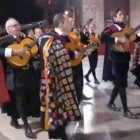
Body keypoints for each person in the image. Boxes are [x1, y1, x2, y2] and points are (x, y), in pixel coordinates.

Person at [39, 12, 81, 140]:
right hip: (53, 82)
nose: (71, 23)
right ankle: (54, 136)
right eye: (69, 21)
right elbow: (54, 55)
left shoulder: (67, 37)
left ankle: (63, 134)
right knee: (54, 110)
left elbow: (72, 52)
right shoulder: (48, 38)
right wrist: (73, 55)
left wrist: (81, 52)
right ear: (62, 24)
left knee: (64, 109)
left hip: (66, 79)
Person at [0, 17, 40, 138]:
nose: (17, 27)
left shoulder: (26, 39)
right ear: (8, 29)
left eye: (18, 24)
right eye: (14, 25)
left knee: (31, 96)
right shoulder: (4, 40)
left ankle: (19, 118)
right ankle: (26, 127)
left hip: (29, 74)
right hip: (14, 75)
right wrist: (14, 52)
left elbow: (34, 51)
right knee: (19, 100)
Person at [101, 8, 138, 119]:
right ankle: (126, 110)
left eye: (123, 14)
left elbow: (135, 39)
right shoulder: (111, 29)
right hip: (116, 59)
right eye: (120, 14)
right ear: (115, 17)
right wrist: (116, 40)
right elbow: (103, 37)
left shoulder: (126, 29)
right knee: (121, 84)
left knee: (120, 82)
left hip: (125, 58)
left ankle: (111, 102)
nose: (123, 16)